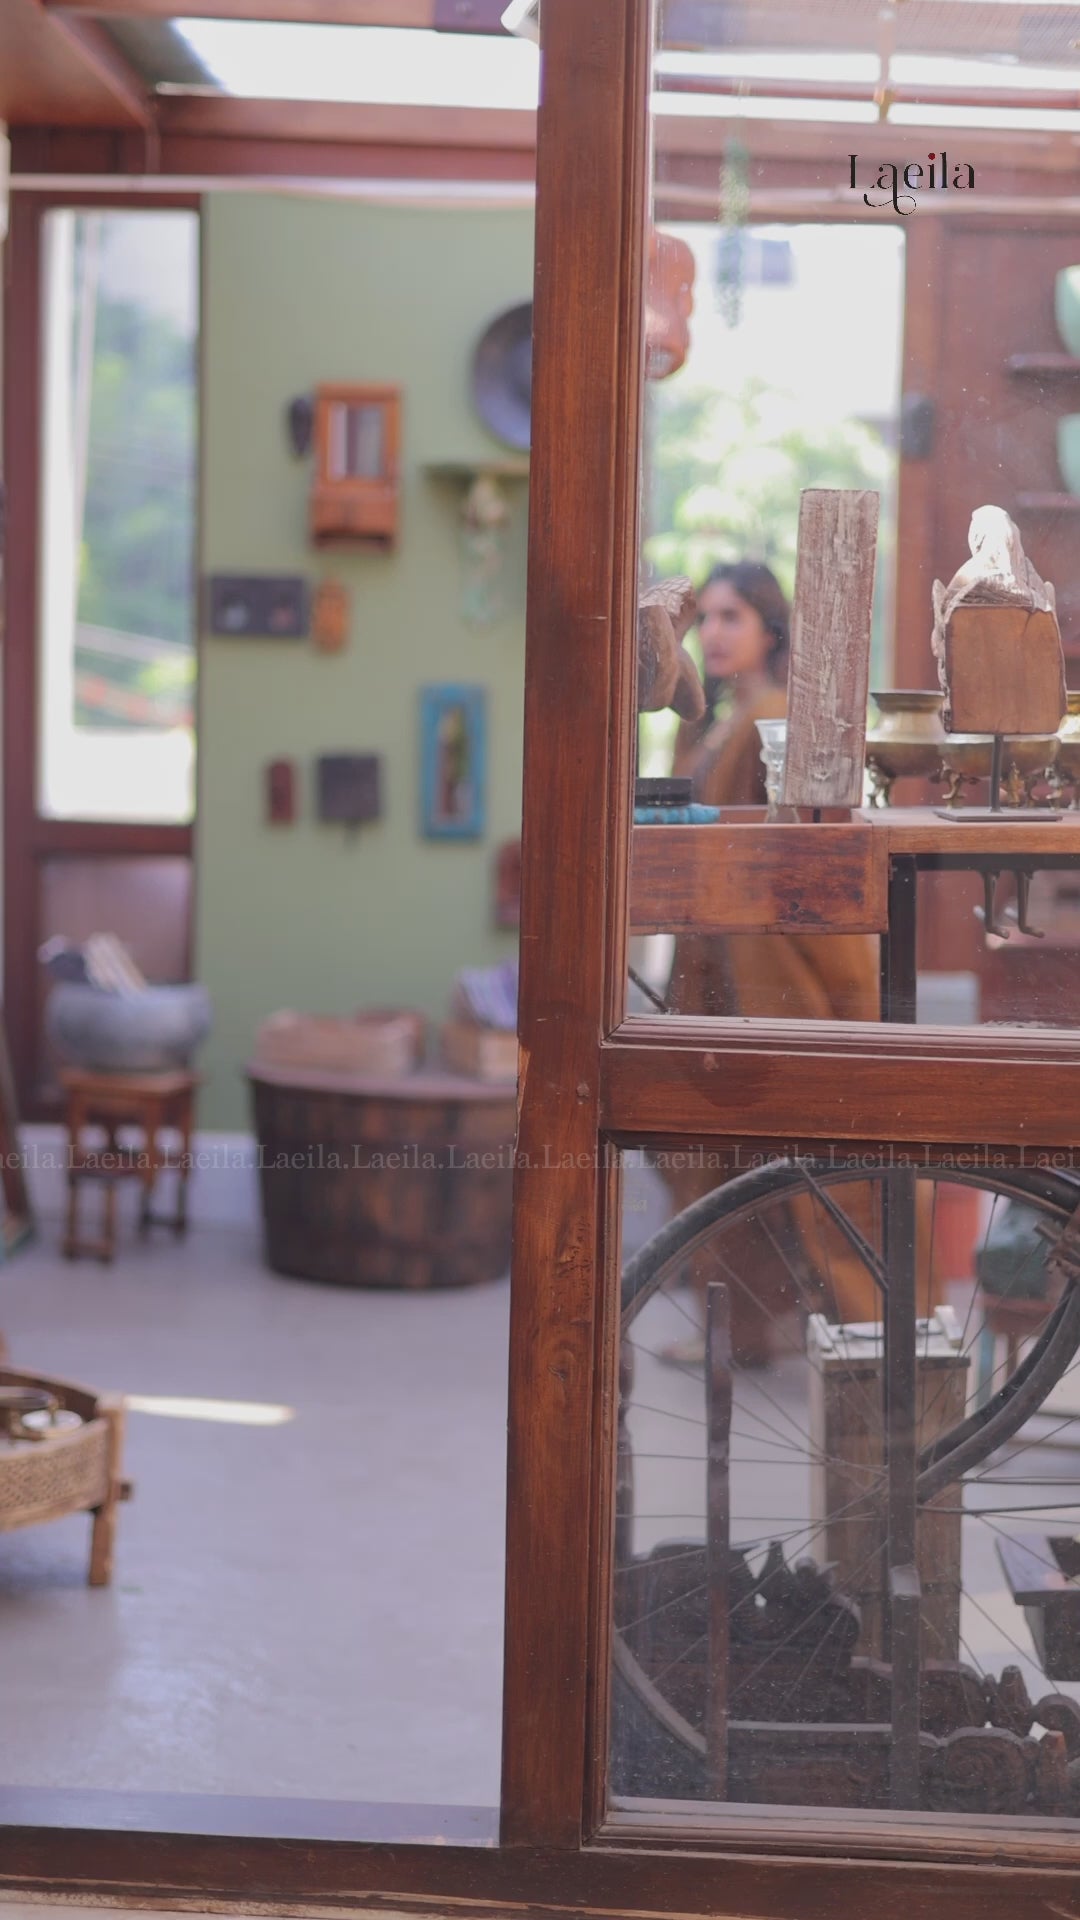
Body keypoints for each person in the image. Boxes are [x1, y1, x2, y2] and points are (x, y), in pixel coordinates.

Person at [657, 563, 921, 1365]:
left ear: (771, 628)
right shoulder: (718, 718)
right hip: (727, 967)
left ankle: (869, 1340)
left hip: (775, 969)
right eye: (705, 618)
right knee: (733, 1158)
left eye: (732, 616)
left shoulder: (769, 715)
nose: (715, 633)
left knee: (814, 1162)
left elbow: (774, 853)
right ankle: (746, 1331)